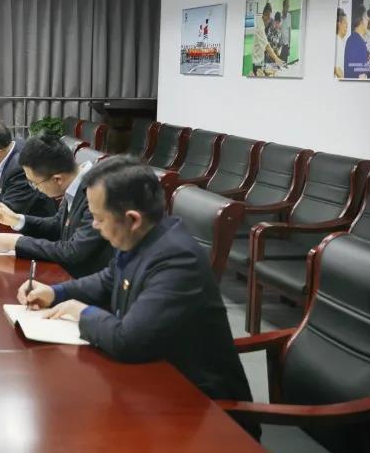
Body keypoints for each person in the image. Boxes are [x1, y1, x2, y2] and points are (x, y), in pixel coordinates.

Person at [16, 156, 254, 405]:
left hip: (199, 403)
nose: (94, 226)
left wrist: (81, 312)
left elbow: (127, 341)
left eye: (99, 218)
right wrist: (56, 292)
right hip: (150, 382)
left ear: (132, 219)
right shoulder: (142, 236)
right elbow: (108, 279)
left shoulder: (177, 259)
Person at [0, 134, 110, 279]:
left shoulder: (96, 193)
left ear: (57, 179)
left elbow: (73, 251)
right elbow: (57, 225)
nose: (36, 189)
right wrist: (16, 220)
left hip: (86, 281)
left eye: (35, 183)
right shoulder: (74, 182)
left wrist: (15, 243)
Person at [250, 2, 284, 76]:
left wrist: (277, 55)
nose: (269, 22)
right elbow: (267, 45)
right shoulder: (260, 27)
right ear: (266, 16)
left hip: (262, 60)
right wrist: (276, 59)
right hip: (257, 62)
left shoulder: (262, 24)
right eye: (269, 19)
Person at [343, 9, 370, 79]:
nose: (368, 19)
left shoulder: (351, 39)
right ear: (361, 21)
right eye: (366, 17)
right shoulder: (359, 43)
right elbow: (362, 76)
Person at [335, 8, 348, 79]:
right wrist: (344, 81)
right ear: (339, 24)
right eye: (345, 23)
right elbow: (337, 68)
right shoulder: (336, 43)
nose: (347, 26)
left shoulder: (342, 42)